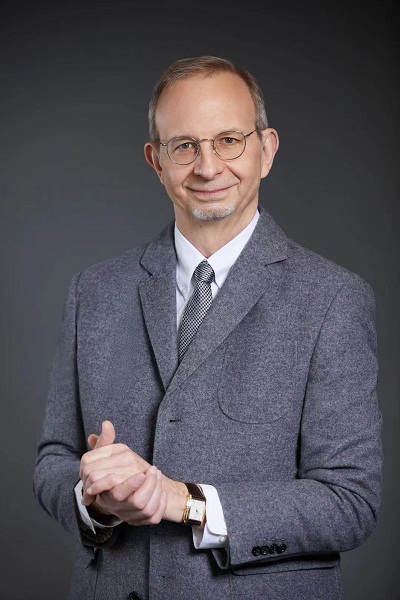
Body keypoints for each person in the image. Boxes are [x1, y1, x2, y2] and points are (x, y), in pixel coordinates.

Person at [34, 56, 382, 600]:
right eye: (184, 146)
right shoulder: (93, 292)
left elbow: (350, 501)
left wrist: (188, 502)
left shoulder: (333, 299)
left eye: (229, 141)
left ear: (266, 150)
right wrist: (92, 500)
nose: (208, 166)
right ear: (156, 161)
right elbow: (53, 459)